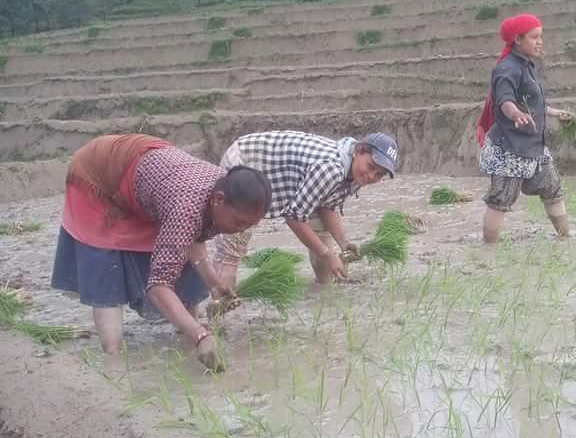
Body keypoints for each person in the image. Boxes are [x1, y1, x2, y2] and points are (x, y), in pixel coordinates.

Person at [51, 134, 271, 370]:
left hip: (147, 174)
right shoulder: (186, 208)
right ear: (218, 200)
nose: (241, 229)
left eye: (249, 225)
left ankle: (187, 336)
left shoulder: (222, 189)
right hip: (100, 174)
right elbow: (158, 285)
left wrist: (213, 282)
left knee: (182, 264)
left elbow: (192, 237)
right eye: (239, 222)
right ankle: (113, 360)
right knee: (108, 265)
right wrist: (200, 335)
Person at [214, 130, 398, 285]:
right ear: (358, 150)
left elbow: (328, 205)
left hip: (288, 179)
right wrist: (327, 255)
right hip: (246, 161)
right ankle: (219, 316)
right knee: (233, 247)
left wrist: (344, 243)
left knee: (323, 237)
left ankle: (323, 291)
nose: (371, 176)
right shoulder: (330, 169)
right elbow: (294, 217)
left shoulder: (357, 173)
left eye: (379, 174)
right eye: (371, 166)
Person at [475, 13, 574, 243]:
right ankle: (488, 252)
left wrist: (554, 112)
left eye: (541, 37)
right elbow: (505, 100)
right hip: (510, 149)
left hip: (534, 146)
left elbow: (531, 102)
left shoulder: (527, 65)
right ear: (517, 40)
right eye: (534, 37)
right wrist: (515, 114)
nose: (540, 42)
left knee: (553, 188)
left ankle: (567, 239)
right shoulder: (507, 68)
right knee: (501, 200)